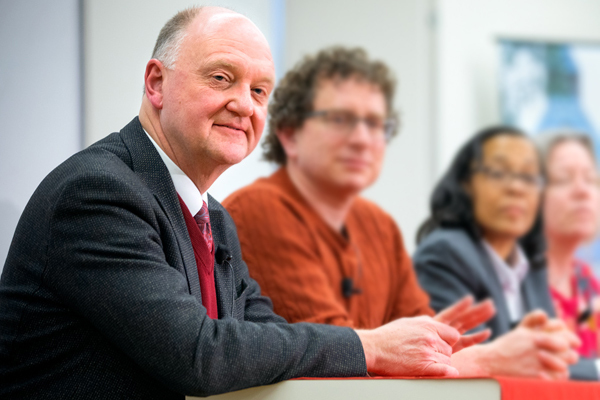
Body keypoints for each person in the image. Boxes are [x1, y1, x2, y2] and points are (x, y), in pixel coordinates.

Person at [0, 7, 495, 399]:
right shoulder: (97, 193)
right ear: (156, 84)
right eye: (221, 78)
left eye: (260, 90)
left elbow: (268, 342)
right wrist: (371, 347)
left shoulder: (213, 216)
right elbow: (198, 355)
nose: (245, 104)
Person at [222, 47, 579, 380]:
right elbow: (336, 363)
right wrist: (490, 359)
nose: (363, 139)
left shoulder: (379, 225)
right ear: (289, 135)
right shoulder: (259, 211)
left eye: (376, 124)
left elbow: (420, 341)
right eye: (340, 120)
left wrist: (464, 349)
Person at [414, 126, 598, 380]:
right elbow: (471, 362)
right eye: (499, 173)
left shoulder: (532, 263)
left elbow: (547, 356)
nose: (516, 188)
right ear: (466, 183)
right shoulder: (447, 253)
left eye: (528, 177)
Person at [539, 131, 600, 358]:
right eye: (564, 179)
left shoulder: (586, 281)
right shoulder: (515, 280)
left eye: (591, 179)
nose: (583, 191)